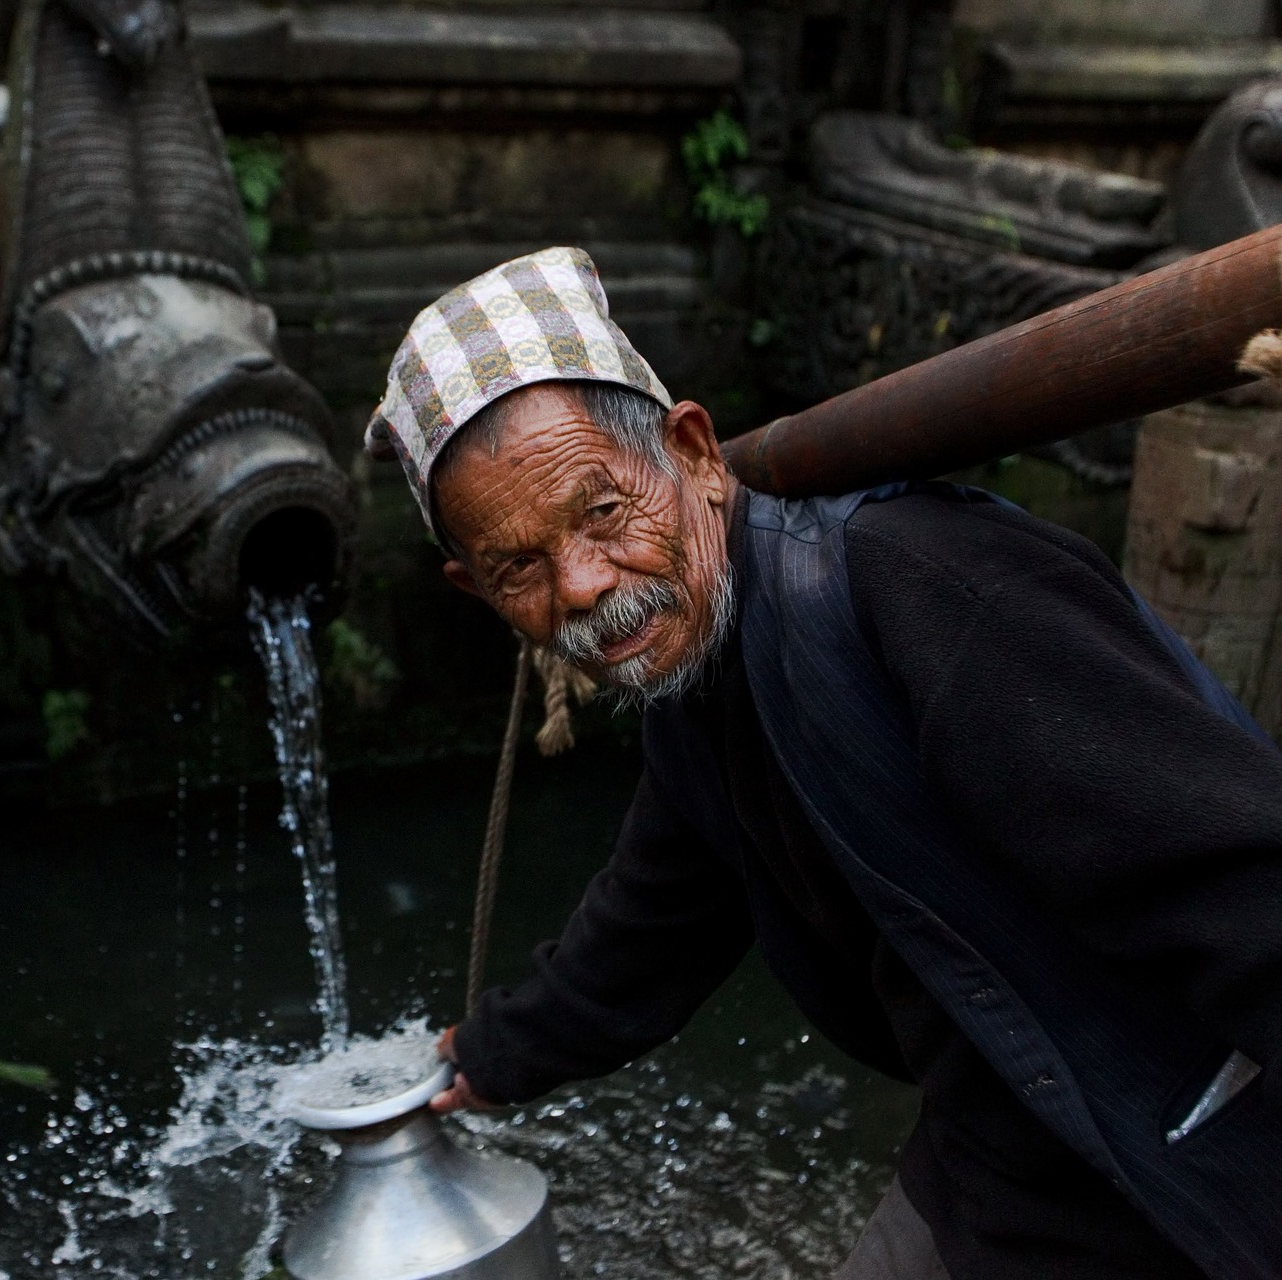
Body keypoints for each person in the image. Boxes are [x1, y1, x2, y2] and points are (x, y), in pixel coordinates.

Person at [363, 246, 1282, 1280]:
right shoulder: (695, 684)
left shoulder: (927, 589)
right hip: (1000, 1145)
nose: (578, 585)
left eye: (605, 512)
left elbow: (1245, 888)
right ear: (474, 591)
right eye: (519, 566)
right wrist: (483, 1059)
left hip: (1178, 1146)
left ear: (697, 454)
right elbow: (650, 926)